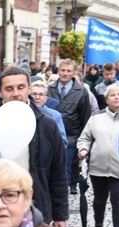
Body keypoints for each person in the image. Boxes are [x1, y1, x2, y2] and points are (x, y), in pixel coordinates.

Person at [0, 67, 69, 227]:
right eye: (9, 89)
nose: (15, 93)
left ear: (29, 88)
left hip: (36, 209)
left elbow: (58, 173)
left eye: (20, 87)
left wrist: (60, 214)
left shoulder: (47, 126)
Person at [77, 83, 119, 227]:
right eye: (112, 95)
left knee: (118, 200)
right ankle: (98, 225)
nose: (116, 97)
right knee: (99, 199)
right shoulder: (96, 118)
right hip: (98, 166)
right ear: (106, 99)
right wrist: (83, 149)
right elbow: (84, 137)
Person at [47, 59, 92, 194]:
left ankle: (62, 195)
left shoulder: (81, 91)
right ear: (58, 71)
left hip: (71, 136)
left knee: (65, 166)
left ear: (73, 73)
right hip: (51, 136)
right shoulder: (50, 89)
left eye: (68, 71)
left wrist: (82, 139)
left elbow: (85, 116)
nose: (65, 74)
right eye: (63, 70)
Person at [29, 81, 68, 148]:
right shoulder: (23, 112)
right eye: (34, 94)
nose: (37, 97)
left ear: (46, 99)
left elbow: (63, 142)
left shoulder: (55, 115)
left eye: (41, 94)